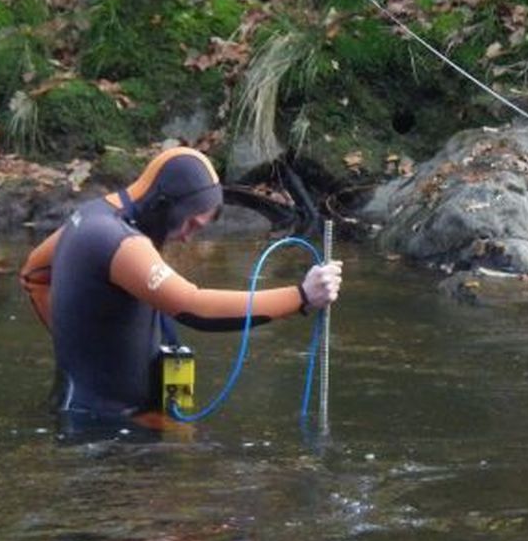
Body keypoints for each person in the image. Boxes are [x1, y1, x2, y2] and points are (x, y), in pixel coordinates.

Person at [20, 146, 342, 424]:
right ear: (165, 202)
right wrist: (301, 296)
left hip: (93, 409)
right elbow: (194, 307)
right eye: (190, 223)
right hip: (106, 425)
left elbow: (33, 275)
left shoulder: (92, 217)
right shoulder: (118, 242)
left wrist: (80, 345)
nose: (189, 236)